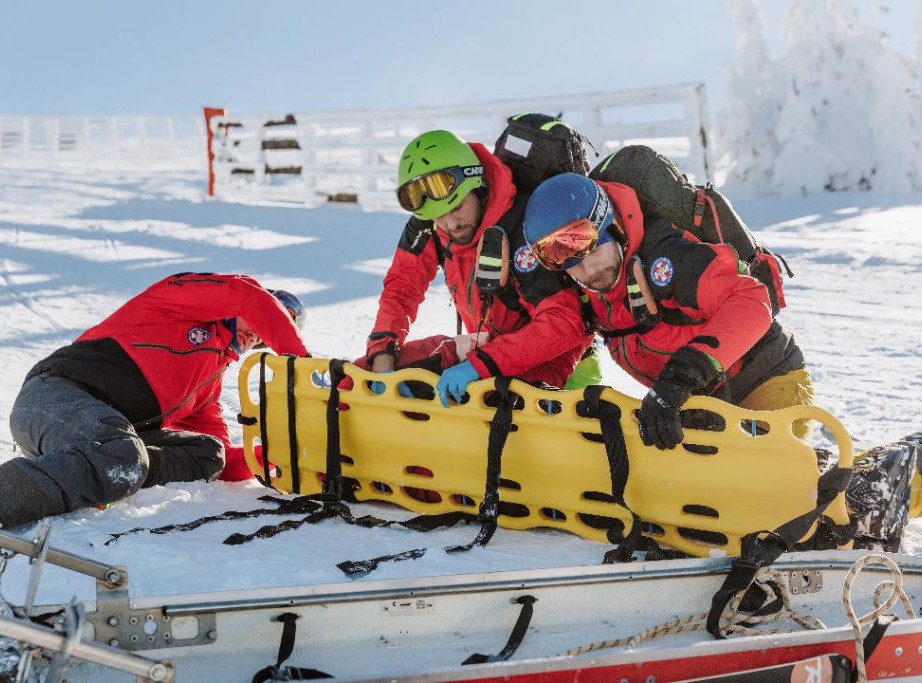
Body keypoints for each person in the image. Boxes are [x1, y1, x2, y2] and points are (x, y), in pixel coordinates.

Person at [522, 173, 812, 450]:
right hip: (696, 404)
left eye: (587, 246)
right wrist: (531, 385)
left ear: (610, 225)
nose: (586, 270)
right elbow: (564, 343)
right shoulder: (590, 291)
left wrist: (684, 374)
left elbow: (751, 299)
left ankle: (850, 483)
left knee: (781, 486)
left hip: (763, 377)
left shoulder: (666, 257)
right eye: (562, 259)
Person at [0, 273, 309, 529]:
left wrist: (281, 456)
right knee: (123, 454)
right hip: (50, 399)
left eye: (261, 339)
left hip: (100, 433)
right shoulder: (178, 301)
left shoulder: (207, 383)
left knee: (208, 453)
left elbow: (222, 457)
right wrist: (303, 363)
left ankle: (112, 471)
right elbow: (247, 296)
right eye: (265, 321)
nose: (255, 336)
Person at [362, 129, 594, 408]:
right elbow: (402, 288)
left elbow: (563, 323)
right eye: (438, 217)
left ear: (479, 186)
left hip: (564, 365)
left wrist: (480, 365)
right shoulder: (431, 223)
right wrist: (382, 355)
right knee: (360, 376)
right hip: (486, 352)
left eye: (457, 206)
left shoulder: (524, 227)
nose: (450, 224)